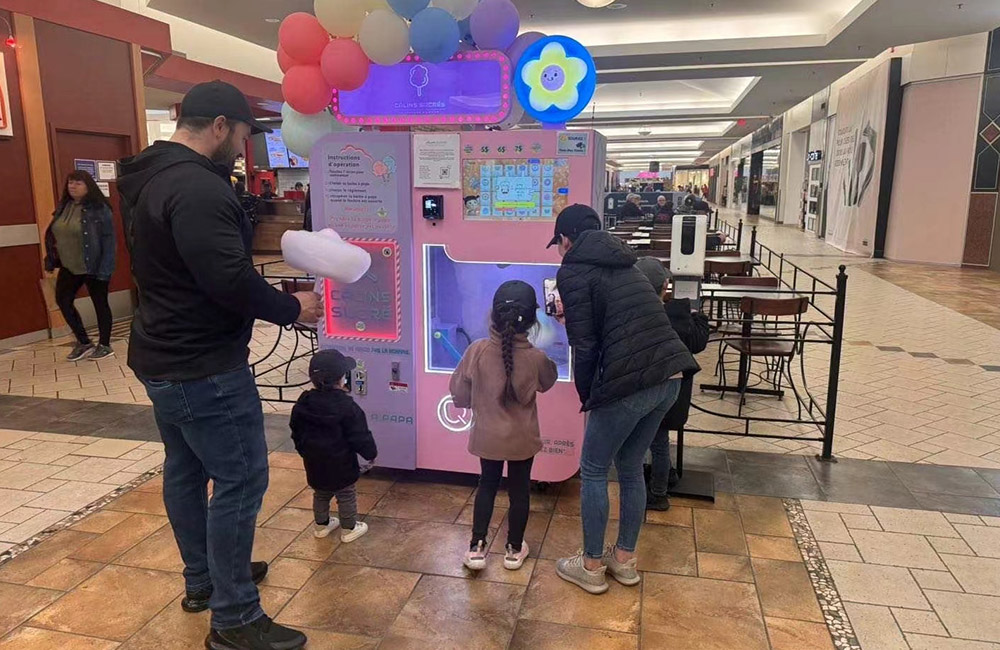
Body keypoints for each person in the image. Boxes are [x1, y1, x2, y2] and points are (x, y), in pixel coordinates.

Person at [118, 81, 321, 650]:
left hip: (161, 353)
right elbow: (227, 278)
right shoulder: (198, 188)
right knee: (240, 478)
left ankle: (205, 580)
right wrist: (291, 308)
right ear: (219, 126)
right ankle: (234, 618)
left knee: (185, 470)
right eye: (242, 133)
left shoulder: (149, 177)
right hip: (202, 364)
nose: (244, 146)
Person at [546, 205, 699, 594]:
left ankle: (592, 565)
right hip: (671, 376)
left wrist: (588, 397)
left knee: (594, 468)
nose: (559, 251)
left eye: (558, 244)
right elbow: (620, 321)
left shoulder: (573, 269)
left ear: (566, 239)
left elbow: (586, 344)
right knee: (630, 467)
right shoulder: (625, 260)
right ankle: (625, 561)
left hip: (631, 382)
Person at [450, 281, 558, 572]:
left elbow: (459, 394)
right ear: (534, 320)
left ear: (492, 315)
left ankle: (476, 548)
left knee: (487, 485)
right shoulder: (536, 357)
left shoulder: (477, 350)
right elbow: (548, 382)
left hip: (487, 437)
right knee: (519, 490)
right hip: (522, 440)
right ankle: (513, 549)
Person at [634, 258, 710, 510]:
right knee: (660, 441)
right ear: (665, 286)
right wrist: (700, 317)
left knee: (655, 442)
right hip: (676, 396)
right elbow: (698, 342)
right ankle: (663, 479)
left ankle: (658, 491)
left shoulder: (638, 317)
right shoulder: (678, 316)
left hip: (648, 393)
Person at [291, 349, 377, 543]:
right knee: (346, 494)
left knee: (320, 493)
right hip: (342, 463)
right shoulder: (348, 407)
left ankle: (321, 525)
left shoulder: (303, 404)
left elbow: (295, 430)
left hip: (313, 461)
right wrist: (370, 453)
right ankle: (349, 528)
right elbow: (359, 435)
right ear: (342, 379)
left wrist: (303, 450)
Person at [44, 170, 117, 361]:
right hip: (69, 265)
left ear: (88, 186)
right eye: (70, 182)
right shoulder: (64, 206)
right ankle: (84, 342)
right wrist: (51, 258)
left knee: (100, 303)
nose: (72, 186)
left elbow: (109, 241)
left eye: (78, 183)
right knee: (63, 300)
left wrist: (105, 268)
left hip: (94, 265)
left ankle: (105, 344)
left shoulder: (99, 209)